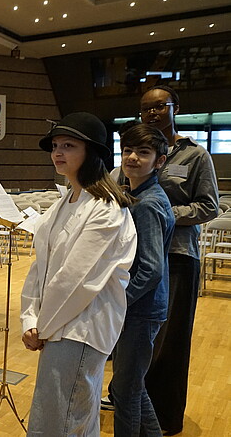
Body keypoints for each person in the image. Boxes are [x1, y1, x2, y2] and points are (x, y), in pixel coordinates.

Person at [20, 112, 137, 435]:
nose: (58, 152)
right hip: (58, 324)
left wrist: (41, 326)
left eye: (68, 145)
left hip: (83, 327)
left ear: (93, 152)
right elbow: (40, 267)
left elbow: (76, 279)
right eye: (55, 145)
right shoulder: (64, 202)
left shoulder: (107, 208)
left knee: (61, 422)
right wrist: (30, 319)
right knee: (71, 420)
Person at [140, 85, 218, 435]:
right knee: (142, 336)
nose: (152, 114)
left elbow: (209, 205)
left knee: (171, 341)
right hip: (140, 256)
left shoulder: (196, 156)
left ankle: (166, 417)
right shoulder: (138, 152)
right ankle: (136, 401)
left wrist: (166, 212)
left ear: (175, 109)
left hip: (178, 256)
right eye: (145, 109)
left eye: (159, 107)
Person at [110, 124, 175, 436]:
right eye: (127, 151)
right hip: (138, 308)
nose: (132, 158)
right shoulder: (136, 195)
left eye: (143, 153)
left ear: (159, 162)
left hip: (141, 309)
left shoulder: (148, 203)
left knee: (124, 391)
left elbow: (150, 269)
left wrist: (117, 301)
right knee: (130, 387)